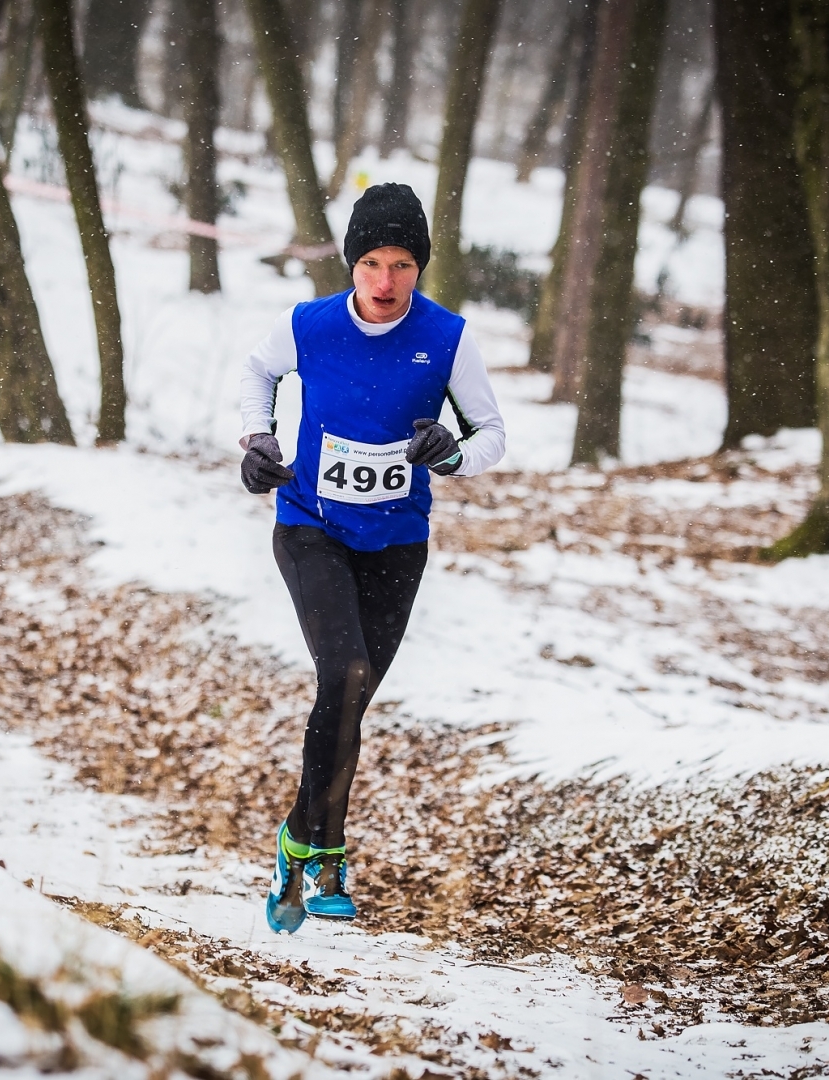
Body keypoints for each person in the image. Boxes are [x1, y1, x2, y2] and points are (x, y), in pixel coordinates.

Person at [237, 183, 506, 933]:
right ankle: (327, 857)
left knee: (350, 695)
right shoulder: (309, 325)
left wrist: (451, 457)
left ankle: (302, 840)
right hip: (311, 527)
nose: (386, 284)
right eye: (372, 264)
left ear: (419, 267)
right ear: (351, 263)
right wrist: (258, 439)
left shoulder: (447, 337)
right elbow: (255, 374)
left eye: (402, 266)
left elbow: (491, 434)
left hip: (397, 543)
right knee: (346, 673)